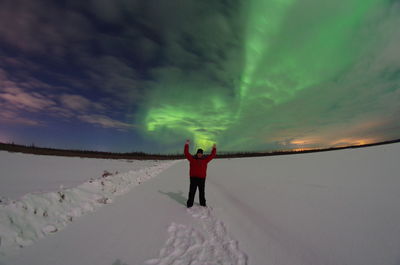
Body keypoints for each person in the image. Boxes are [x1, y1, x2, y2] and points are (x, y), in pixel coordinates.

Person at [184, 139, 217, 208]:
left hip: (202, 178)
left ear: (202, 154)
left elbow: (212, 155)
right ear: (197, 153)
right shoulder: (192, 159)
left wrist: (214, 148)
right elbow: (186, 153)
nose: (199, 154)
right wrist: (187, 144)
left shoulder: (205, 160)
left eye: (201, 153)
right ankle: (189, 204)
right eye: (199, 153)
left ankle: (202, 204)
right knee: (192, 192)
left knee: (202, 192)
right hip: (193, 178)